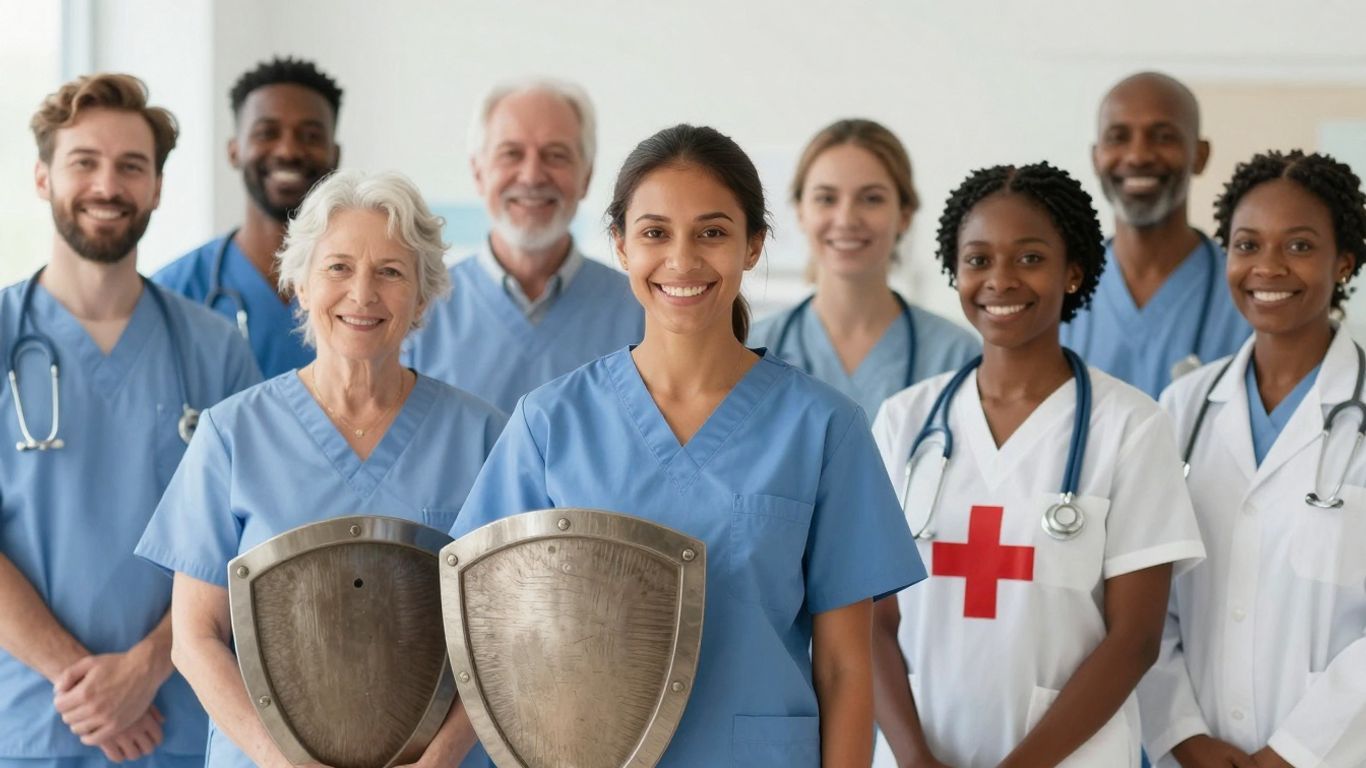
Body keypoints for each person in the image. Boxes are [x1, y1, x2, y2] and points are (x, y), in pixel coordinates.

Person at [452, 124, 924, 766]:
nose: (682, 260)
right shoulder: (550, 423)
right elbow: (490, 633)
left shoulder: (823, 428)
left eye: (712, 232)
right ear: (619, 245)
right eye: (654, 233)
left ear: (753, 245)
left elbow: (845, 668)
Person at [135, 171, 506, 768]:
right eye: (338, 267)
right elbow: (195, 638)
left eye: (390, 271)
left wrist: (441, 759)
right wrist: (277, 759)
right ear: (301, 285)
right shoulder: (232, 434)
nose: (362, 294)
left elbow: (503, 633)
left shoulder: (482, 436)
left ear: (421, 296)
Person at [871, 162, 1205, 767]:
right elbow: (871, 622)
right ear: (955, 271)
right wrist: (914, 758)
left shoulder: (1130, 426)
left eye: (1029, 258)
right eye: (977, 260)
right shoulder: (904, 423)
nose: (1000, 280)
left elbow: (1135, 640)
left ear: (1072, 271)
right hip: (919, 752)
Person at [0, 74, 260, 768]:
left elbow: (249, 546)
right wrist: (83, 684)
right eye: (83, 161)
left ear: (156, 187)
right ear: (42, 177)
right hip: (34, 726)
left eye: (131, 166)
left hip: (180, 724)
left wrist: (144, 670)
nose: (107, 185)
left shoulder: (216, 353)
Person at [1138, 151, 1366, 768]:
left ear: (1343, 261)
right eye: (1247, 244)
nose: (1268, 267)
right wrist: (1183, 735)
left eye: (1298, 245)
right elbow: (1145, 602)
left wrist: (1293, 754)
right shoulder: (1182, 408)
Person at [403, 78, 644, 412]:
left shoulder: (641, 312)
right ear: (478, 172)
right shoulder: (418, 311)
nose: (532, 176)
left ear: (586, 176)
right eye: (511, 154)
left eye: (556, 155)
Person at [750, 119, 978, 418]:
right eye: (826, 198)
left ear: (905, 215)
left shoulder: (957, 355)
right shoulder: (751, 351)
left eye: (871, 199)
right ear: (801, 212)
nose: (846, 219)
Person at [1062, 72, 1249, 398]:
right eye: (1118, 137)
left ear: (1200, 155)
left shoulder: (1246, 292)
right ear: (1096, 157)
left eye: (1163, 137)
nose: (1138, 156)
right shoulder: (1059, 292)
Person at [154, 57, 343, 377]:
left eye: (310, 136)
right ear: (234, 150)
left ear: (334, 155)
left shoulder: (366, 290)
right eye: (267, 133)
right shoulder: (174, 293)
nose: (288, 151)